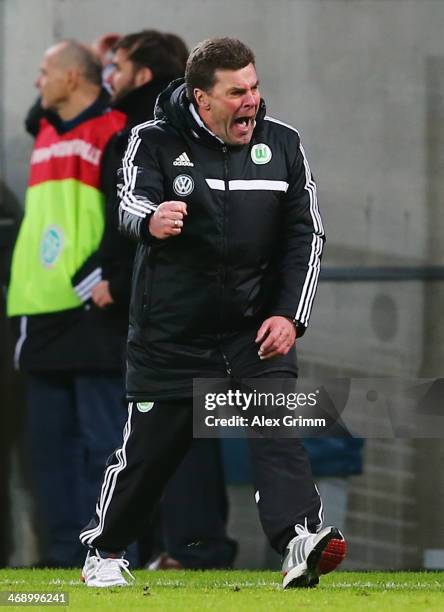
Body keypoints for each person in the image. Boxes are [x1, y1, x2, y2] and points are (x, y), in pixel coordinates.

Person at [79, 37, 346, 589]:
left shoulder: (284, 145)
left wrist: (290, 316)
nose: (250, 101)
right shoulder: (151, 141)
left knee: (279, 432)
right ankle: (104, 552)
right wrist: (151, 220)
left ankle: (299, 538)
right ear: (202, 98)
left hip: (254, 331)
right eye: (235, 92)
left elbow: (306, 236)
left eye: (254, 88)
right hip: (171, 335)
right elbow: (128, 203)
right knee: (149, 456)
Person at [99, 28, 237, 571]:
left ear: (144, 73)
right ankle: (175, 548)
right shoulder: (162, 131)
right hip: (181, 307)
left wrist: (112, 275)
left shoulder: (147, 134)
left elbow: (124, 219)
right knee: (171, 432)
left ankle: (187, 549)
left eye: (117, 64)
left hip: (163, 309)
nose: (108, 73)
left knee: (172, 431)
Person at [7, 40, 127, 567]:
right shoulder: (47, 129)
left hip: (89, 309)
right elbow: (40, 107)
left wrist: (101, 277)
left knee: (105, 444)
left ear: (75, 77)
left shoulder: (115, 131)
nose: (38, 83)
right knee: (48, 451)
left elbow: (127, 217)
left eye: (44, 71)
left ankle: (109, 553)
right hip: (39, 310)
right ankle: (60, 557)